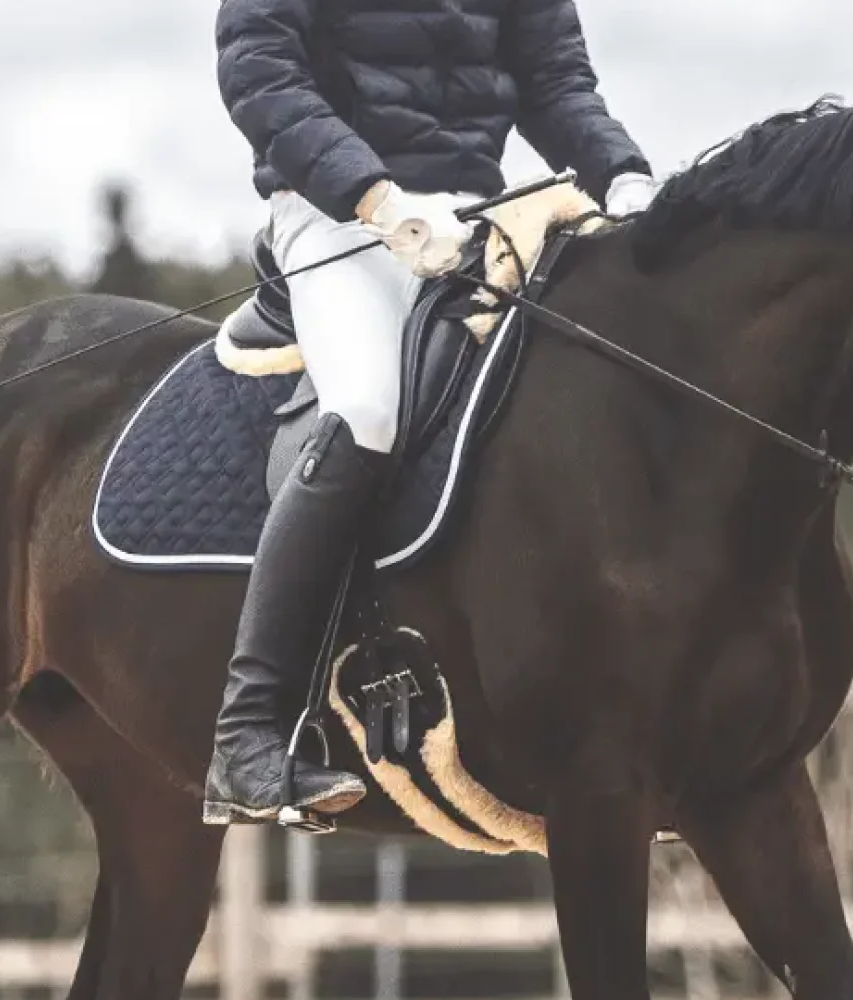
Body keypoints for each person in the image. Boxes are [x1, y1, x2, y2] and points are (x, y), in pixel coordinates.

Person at [201, 0, 657, 826]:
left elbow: (555, 83)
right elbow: (260, 73)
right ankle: (248, 733)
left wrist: (623, 173)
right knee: (369, 410)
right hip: (337, 214)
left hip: (480, 219)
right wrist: (375, 198)